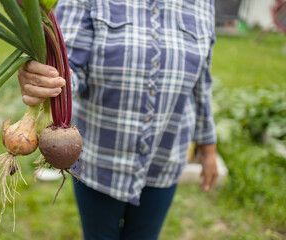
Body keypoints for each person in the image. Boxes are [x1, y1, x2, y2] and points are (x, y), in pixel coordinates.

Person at [18, 0, 219, 239]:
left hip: (164, 155)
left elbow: (201, 85)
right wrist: (47, 80)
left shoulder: (202, 3)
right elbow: (69, 67)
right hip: (100, 160)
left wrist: (208, 149)